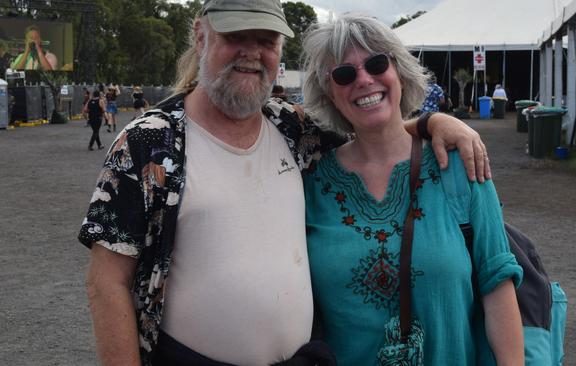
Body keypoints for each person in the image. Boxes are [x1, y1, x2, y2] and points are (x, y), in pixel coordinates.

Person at [78, 1, 490, 365]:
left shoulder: (292, 127)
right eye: (237, 35)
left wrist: (432, 122)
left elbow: (373, 134)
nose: (252, 53)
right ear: (201, 35)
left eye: (267, 40)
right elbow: (106, 282)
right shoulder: (149, 142)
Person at [301, 15, 524, 365]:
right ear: (329, 92)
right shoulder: (311, 186)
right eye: (344, 74)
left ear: (400, 72)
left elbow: (497, 283)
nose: (363, 80)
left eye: (376, 63)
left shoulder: (459, 166)